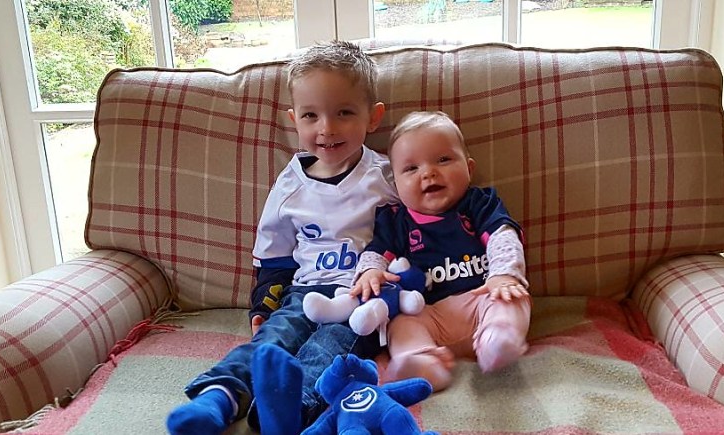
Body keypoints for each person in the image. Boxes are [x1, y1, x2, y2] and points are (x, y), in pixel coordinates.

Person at [167, 40, 396, 434]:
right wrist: (263, 307)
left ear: (373, 117)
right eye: (311, 115)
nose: (327, 128)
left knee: (328, 349)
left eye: (344, 113)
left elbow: (415, 228)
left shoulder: (386, 176)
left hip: (361, 300)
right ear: (294, 120)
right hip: (303, 293)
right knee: (271, 342)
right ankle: (217, 397)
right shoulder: (290, 183)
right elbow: (274, 257)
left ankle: (288, 410)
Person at [350, 111, 531, 393]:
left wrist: (504, 275)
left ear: (469, 168)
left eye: (443, 160)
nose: (428, 173)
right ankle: (422, 361)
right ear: (396, 185)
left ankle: (497, 340)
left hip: (481, 298)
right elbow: (377, 252)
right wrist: (370, 271)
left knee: (511, 297)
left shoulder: (479, 204)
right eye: (411, 168)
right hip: (429, 314)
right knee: (401, 323)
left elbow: (502, 236)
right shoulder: (395, 220)